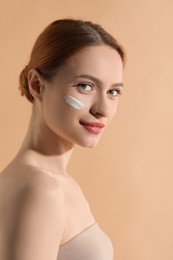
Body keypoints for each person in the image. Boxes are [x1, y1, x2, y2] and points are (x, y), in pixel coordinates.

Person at [0, 18, 126, 260]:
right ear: (37, 85)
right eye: (85, 86)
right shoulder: (39, 188)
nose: (104, 109)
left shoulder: (46, 180)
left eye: (113, 91)